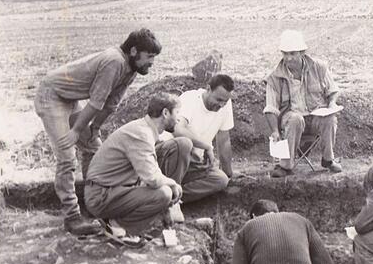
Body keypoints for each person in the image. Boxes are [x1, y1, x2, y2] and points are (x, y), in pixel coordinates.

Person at [34, 28, 161, 235]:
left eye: (154, 57)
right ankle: (72, 217)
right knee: (67, 157)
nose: (152, 62)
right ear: (134, 51)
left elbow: (111, 104)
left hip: (70, 99)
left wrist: (95, 128)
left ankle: (93, 203)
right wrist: (76, 131)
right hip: (52, 96)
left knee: (94, 147)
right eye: (149, 56)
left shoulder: (131, 69)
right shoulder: (114, 61)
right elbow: (96, 101)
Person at [84, 93, 184, 246]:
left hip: (109, 191)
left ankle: (117, 222)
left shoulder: (144, 130)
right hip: (101, 196)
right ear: (165, 113)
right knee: (164, 193)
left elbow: (145, 177)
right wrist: (173, 184)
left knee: (162, 192)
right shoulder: (141, 134)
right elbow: (152, 178)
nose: (179, 118)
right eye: (177, 112)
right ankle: (118, 226)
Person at [264, 29, 342, 178]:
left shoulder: (318, 67)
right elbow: (270, 108)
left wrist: (332, 103)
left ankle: (328, 160)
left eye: (292, 53)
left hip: (315, 116)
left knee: (330, 118)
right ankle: (285, 166)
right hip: (291, 121)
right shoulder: (275, 76)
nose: (288, 58)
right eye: (285, 54)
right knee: (295, 119)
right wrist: (274, 130)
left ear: (302, 52)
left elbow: (333, 90)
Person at [156, 74, 234, 221]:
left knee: (220, 180)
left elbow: (224, 140)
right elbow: (178, 130)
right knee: (184, 144)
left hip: (193, 163)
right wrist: (206, 146)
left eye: (225, 101)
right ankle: (172, 204)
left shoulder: (225, 105)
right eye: (218, 100)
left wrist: (229, 173)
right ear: (208, 89)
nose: (221, 105)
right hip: (170, 156)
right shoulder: (190, 99)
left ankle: (164, 198)